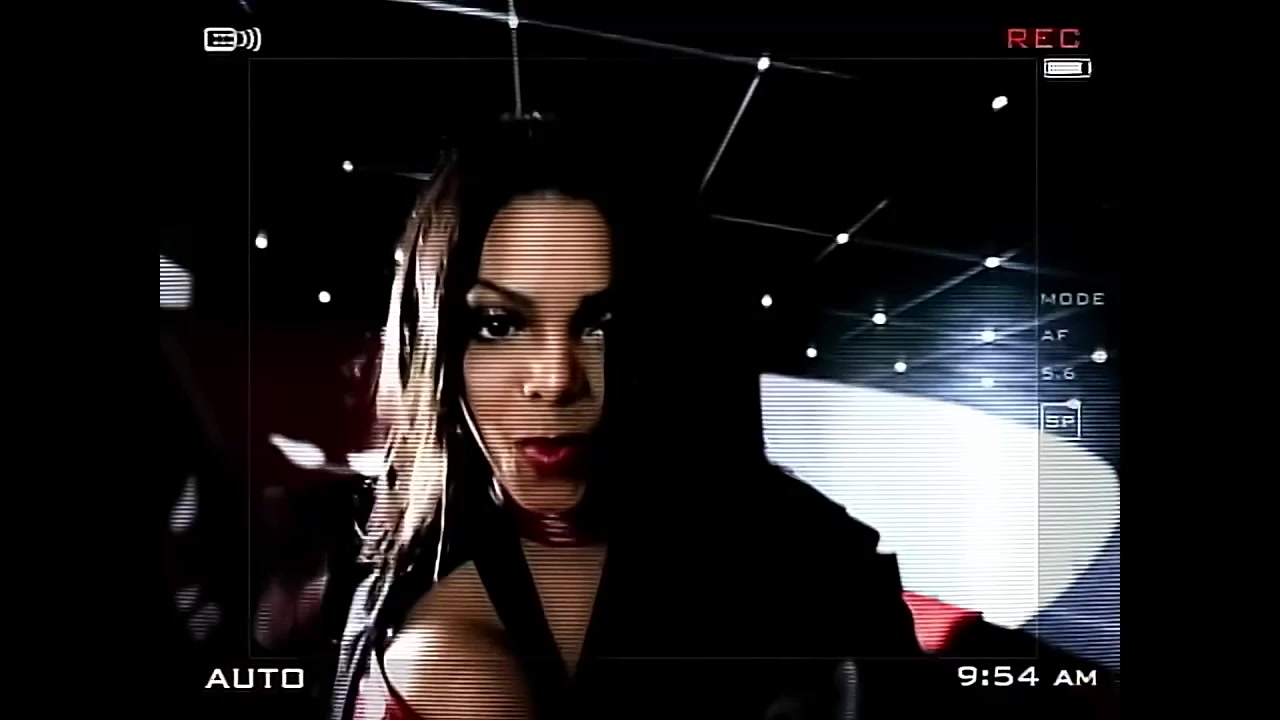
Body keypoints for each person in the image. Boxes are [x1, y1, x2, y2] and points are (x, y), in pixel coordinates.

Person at [328, 115, 938, 720]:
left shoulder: (818, 576)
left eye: (601, 323)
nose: (556, 378)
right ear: (437, 345)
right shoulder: (394, 552)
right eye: (499, 324)